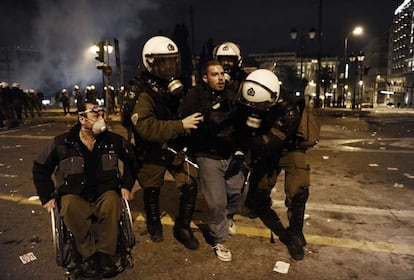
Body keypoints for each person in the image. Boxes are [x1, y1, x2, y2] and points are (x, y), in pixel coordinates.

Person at [32, 101, 139, 278]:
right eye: (95, 114)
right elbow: (40, 167)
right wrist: (47, 196)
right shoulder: (62, 143)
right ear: (82, 119)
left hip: (104, 192)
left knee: (113, 203)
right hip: (75, 194)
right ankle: (88, 255)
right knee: (68, 206)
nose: (101, 117)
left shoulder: (112, 140)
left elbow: (132, 160)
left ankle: (105, 254)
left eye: (102, 113)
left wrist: (127, 185)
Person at [126, 35, 203, 250]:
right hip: (151, 149)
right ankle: (153, 223)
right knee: (151, 188)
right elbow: (146, 128)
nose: (169, 66)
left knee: (190, 180)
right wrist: (181, 126)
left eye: (173, 61)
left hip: (174, 145)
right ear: (150, 62)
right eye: (163, 62)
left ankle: (183, 226)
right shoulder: (143, 93)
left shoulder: (173, 87)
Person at [234, 69, 309, 261]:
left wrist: (246, 137)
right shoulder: (259, 94)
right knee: (260, 188)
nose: (255, 107)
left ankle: (295, 234)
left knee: (297, 190)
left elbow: (266, 145)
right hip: (267, 146)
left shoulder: (289, 111)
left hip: (290, 148)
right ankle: (258, 204)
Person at [178, 60, 247, 262]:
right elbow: (185, 114)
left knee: (239, 191)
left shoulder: (231, 94)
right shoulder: (196, 95)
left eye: (222, 73)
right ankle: (220, 240)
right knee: (217, 202)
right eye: (215, 74)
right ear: (205, 77)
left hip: (231, 153)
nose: (220, 78)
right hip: (208, 155)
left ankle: (228, 217)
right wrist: (211, 112)